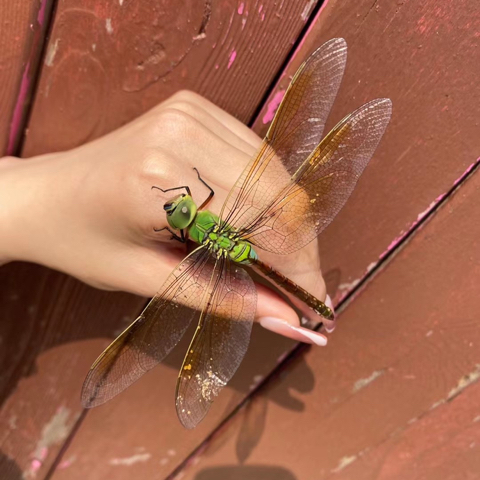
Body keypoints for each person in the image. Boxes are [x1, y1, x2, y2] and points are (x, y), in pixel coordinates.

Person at [0, 90, 333, 346]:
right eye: (177, 215)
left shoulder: (189, 228)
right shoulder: (201, 214)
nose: (177, 208)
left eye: (181, 206)